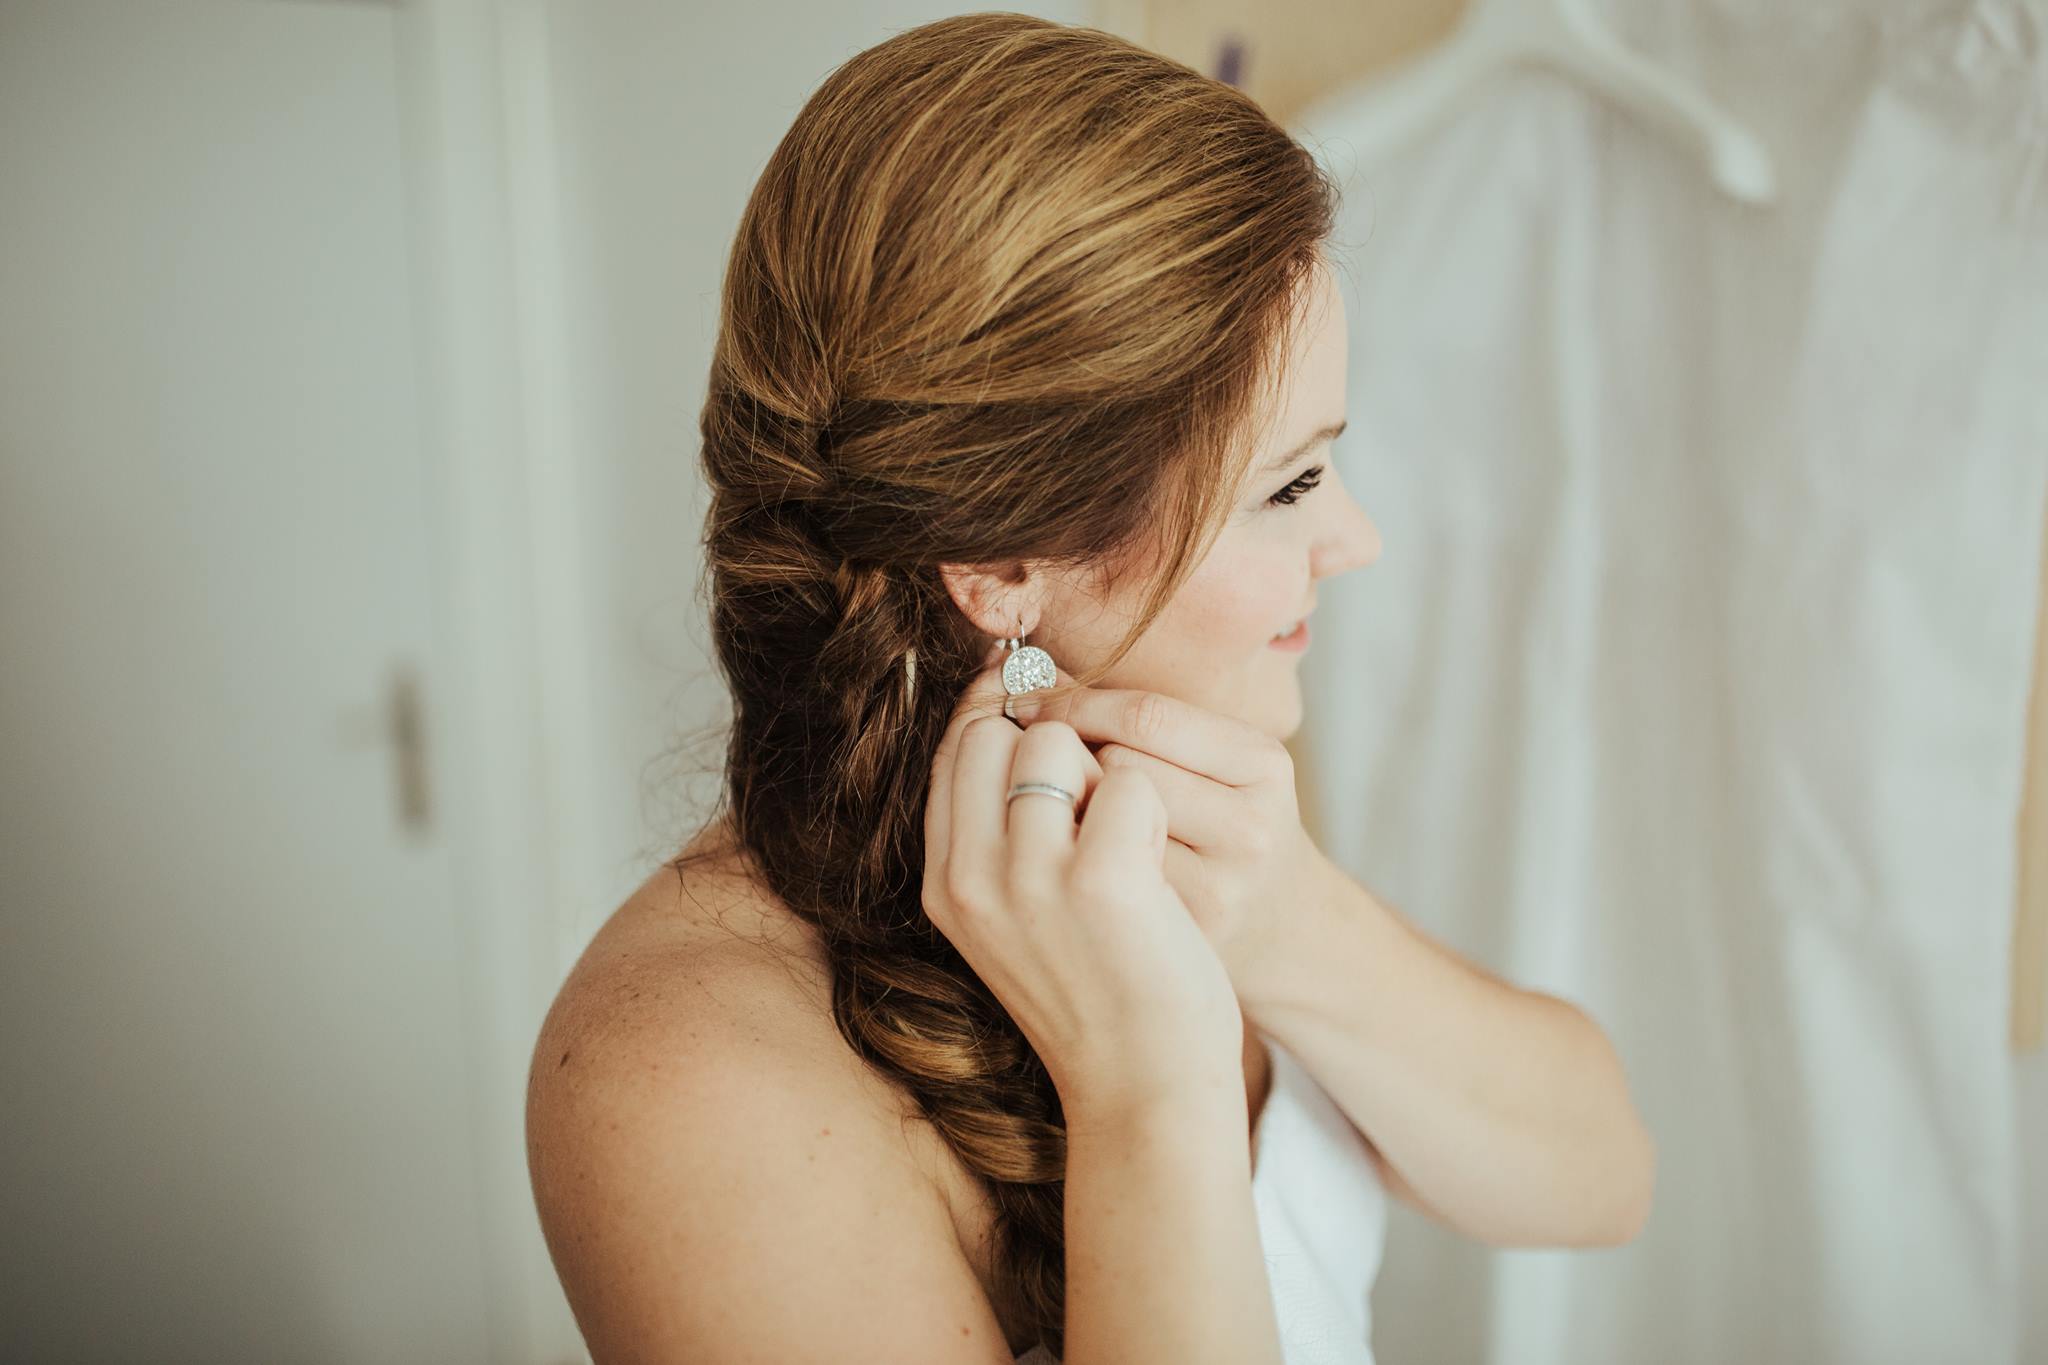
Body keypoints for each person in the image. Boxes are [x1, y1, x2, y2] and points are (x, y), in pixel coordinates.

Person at [525, 14, 1654, 1365]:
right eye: (1290, 485)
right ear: (1007, 567)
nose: (1354, 540)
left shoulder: (1156, 795)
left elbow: (1601, 1180)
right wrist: (1147, 1090)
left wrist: (1290, 916)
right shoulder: (684, 1075)